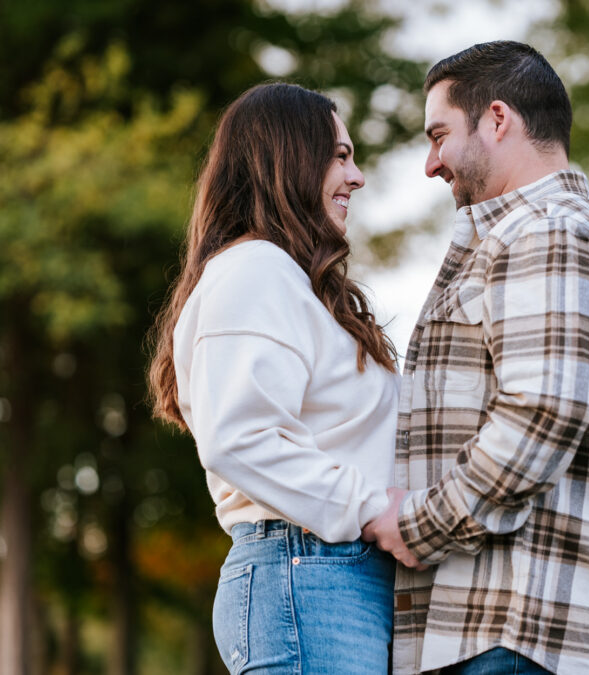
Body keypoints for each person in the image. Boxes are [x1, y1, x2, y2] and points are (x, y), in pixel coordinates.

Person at [363, 42, 589, 674]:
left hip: (526, 632)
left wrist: (417, 524)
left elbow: (544, 412)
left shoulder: (549, 229)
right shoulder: (514, 236)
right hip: (498, 632)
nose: (430, 163)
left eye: (439, 134)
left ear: (498, 119)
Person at [147, 82, 400, 674]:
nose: (357, 176)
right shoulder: (254, 270)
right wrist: (371, 507)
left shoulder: (293, 284)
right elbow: (241, 438)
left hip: (330, 578)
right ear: (287, 158)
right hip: (306, 575)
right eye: (340, 155)